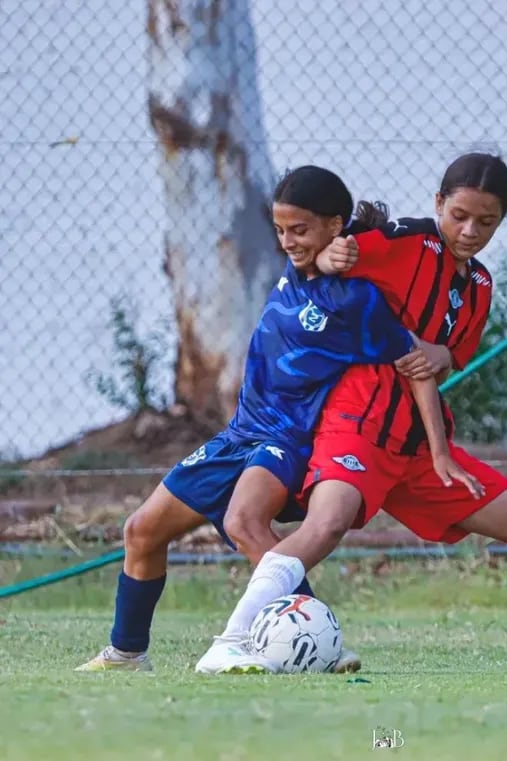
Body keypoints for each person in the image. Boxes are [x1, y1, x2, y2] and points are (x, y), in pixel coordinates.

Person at [203, 153, 507, 677]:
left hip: (422, 448)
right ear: (438, 204)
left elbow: (453, 352)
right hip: (357, 425)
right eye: (459, 215)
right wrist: (330, 257)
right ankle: (228, 642)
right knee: (327, 525)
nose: (470, 230)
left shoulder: (478, 286)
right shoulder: (403, 243)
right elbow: (323, 258)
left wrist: (446, 358)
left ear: (502, 220)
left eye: (486, 221)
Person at [77, 165, 479, 675]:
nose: (287, 241)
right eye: (280, 229)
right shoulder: (300, 267)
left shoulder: (357, 300)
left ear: (335, 225)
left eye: (300, 230)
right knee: (141, 531)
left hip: (287, 438)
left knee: (243, 521)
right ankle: (126, 654)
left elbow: (416, 367)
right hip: (240, 434)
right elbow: (330, 249)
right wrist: (326, 251)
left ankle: (318, 640)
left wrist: (440, 449)